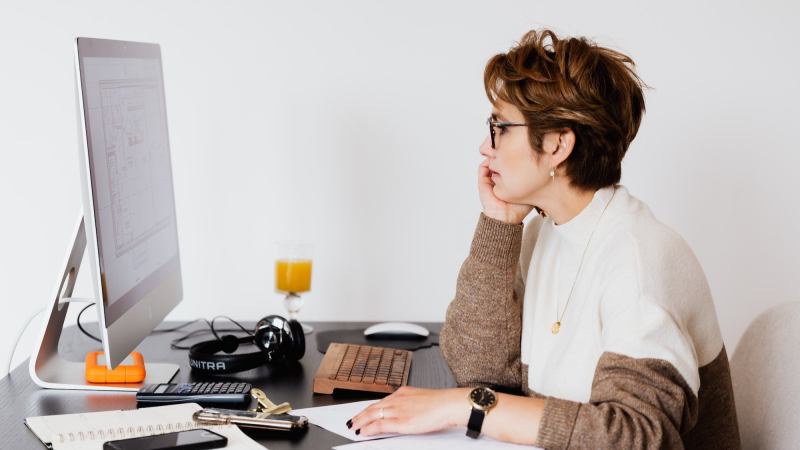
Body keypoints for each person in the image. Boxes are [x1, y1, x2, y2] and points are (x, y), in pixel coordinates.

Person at [348, 29, 741, 449]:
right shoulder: (546, 231)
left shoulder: (639, 259)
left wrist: (468, 407)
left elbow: (637, 436)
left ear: (557, 145)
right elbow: (479, 370)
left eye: (500, 127)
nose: (485, 146)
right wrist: (499, 223)